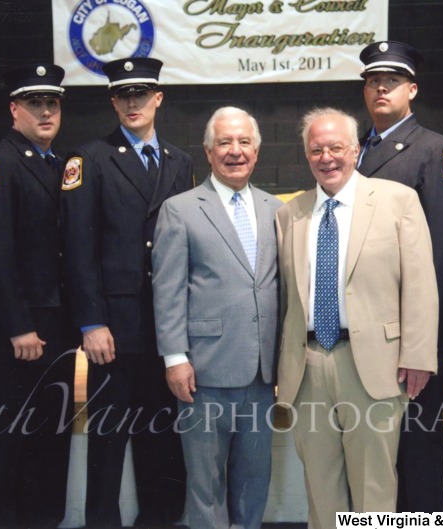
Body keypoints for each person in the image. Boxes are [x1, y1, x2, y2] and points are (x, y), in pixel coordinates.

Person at [275, 107, 438, 525]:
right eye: (316, 150)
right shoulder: (289, 214)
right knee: (320, 484)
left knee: (374, 485)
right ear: (306, 155)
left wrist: (418, 354)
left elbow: (420, 283)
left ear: (354, 150)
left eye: (336, 148)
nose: (327, 158)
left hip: (374, 365)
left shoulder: (397, 200)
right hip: (307, 367)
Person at [60, 57, 192, 528]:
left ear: (158, 98)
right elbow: (78, 248)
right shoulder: (90, 159)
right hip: (113, 326)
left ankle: (159, 518)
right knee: (109, 435)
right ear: (113, 101)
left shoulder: (180, 161)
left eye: (142, 93)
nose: (133, 102)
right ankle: (102, 521)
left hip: (166, 323)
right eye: (124, 95)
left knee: (162, 430)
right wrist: (91, 322)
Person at [152, 107, 281, 529]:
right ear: (208, 152)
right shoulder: (181, 209)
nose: (235, 151)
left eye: (244, 142)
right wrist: (175, 358)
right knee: (205, 485)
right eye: (224, 142)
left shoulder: (276, 210)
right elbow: (167, 290)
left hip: (263, 375)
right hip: (203, 373)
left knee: (254, 480)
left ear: (257, 151)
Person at [356, 40, 443, 511]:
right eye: (373, 80)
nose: (381, 87)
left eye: (393, 80)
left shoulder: (437, 151)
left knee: (418, 448)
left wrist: (420, 343)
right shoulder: (356, 150)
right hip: (369, 329)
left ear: (413, 89)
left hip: (413, 336)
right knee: (378, 450)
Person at [0, 63, 76, 528]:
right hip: (13, 334)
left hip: (54, 327)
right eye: (35, 104)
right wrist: (18, 325)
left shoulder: (58, 163)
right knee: (3, 448)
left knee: (49, 443)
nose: (46, 112)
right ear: (14, 109)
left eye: (52, 103)